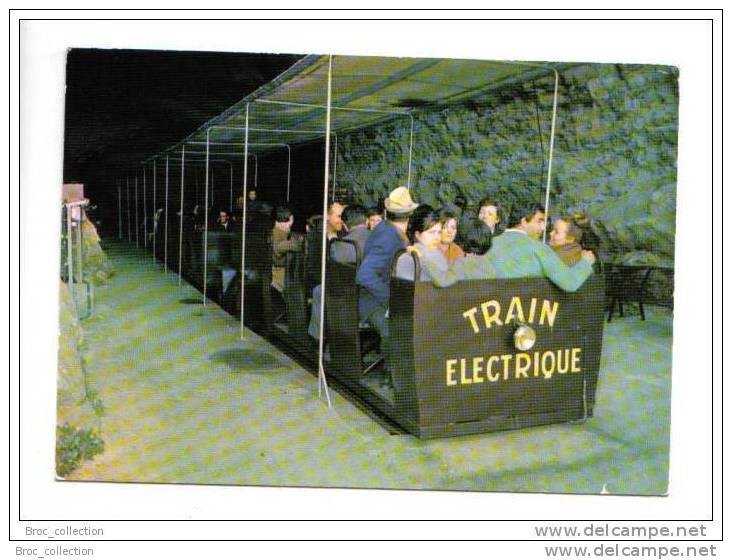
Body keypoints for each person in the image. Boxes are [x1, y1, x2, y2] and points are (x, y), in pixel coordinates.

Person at [356, 186, 417, 358]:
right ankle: (392, 375)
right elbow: (364, 275)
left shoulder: (385, 228)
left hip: (376, 298)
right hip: (373, 303)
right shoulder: (388, 238)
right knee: (397, 331)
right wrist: (391, 299)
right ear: (409, 215)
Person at [489, 203, 596, 291]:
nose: (543, 228)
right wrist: (586, 262)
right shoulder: (539, 249)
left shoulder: (489, 243)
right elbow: (570, 283)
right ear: (524, 222)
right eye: (539, 221)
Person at [308, 205, 371, 340]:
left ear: (346, 225)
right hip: (375, 299)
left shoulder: (338, 246)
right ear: (367, 222)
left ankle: (317, 339)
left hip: (347, 299)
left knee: (320, 291)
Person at [395, 205, 449, 282]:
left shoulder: (403, 255)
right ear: (417, 235)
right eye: (431, 232)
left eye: (439, 232)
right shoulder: (434, 256)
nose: (437, 237)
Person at [271, 206, 303, 293]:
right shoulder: (278, 236)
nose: (292, 223)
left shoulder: (276, 232)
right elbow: (297, 245)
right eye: (291, 220)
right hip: (279, 282)